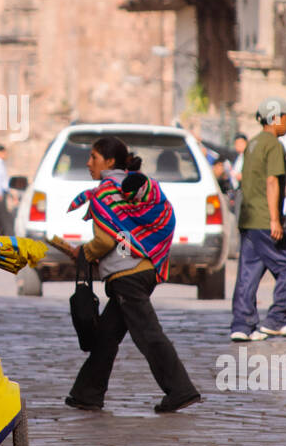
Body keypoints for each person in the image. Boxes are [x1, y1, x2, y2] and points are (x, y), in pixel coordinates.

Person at [64, 134, 202, 414]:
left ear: (109, 161)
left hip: (128, 275)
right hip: (139, 267)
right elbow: (125, 234)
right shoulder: (128, 185)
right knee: (106, 337)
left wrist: (83, 253)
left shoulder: (105, 192)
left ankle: (180, 390)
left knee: (148, 334)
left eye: (94, 157)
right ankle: (86, 394)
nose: (88, 162)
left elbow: (107, 240)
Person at [230, 97, 286, 342]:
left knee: (248, 273)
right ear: (274, 117)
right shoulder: (273, 144)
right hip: (265, 218)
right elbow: (272, 180)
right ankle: (278, 319)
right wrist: (275, 219)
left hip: (249, 217)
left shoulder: (253, 143)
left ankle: (242, 325)